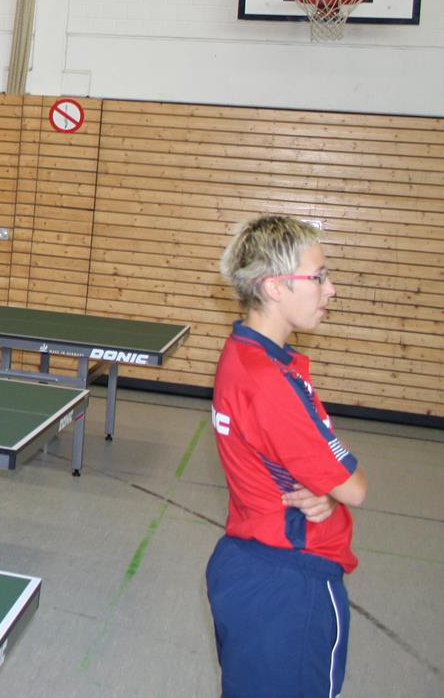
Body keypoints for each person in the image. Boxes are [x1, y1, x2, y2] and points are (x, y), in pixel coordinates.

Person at [206, 214, 366, 698]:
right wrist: (332, 487)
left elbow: (288, 461)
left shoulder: (242, 354)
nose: (330, 289)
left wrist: (323, 488)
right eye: (318, 277)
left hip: (251, 567)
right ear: (275, 286)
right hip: (291, 586)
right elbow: (355, 488)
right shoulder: (271, 383)